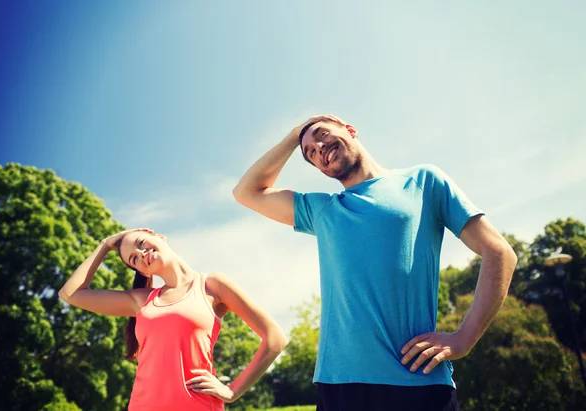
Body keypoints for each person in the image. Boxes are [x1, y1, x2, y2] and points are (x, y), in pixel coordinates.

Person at [232, 114, 517, 411]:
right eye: (310, 153)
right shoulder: (322, 209)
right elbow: (246, 192)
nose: (318, 148)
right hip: (341, 388)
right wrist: (294, 135)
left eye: (321, 134)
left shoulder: (423, 181)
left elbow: (499, 252)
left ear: (349, 129)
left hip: (419, 384)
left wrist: (463, 338)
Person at [59, 228, 288, 411]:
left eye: (141, 244)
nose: (141, 254)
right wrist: (105, 244)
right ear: (143, 272)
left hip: (197, 406)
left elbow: (275, 338)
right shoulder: (142, 300)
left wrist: (232, 391)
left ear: (158, 237)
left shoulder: (212, 285)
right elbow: (71, 294)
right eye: (134, 259)